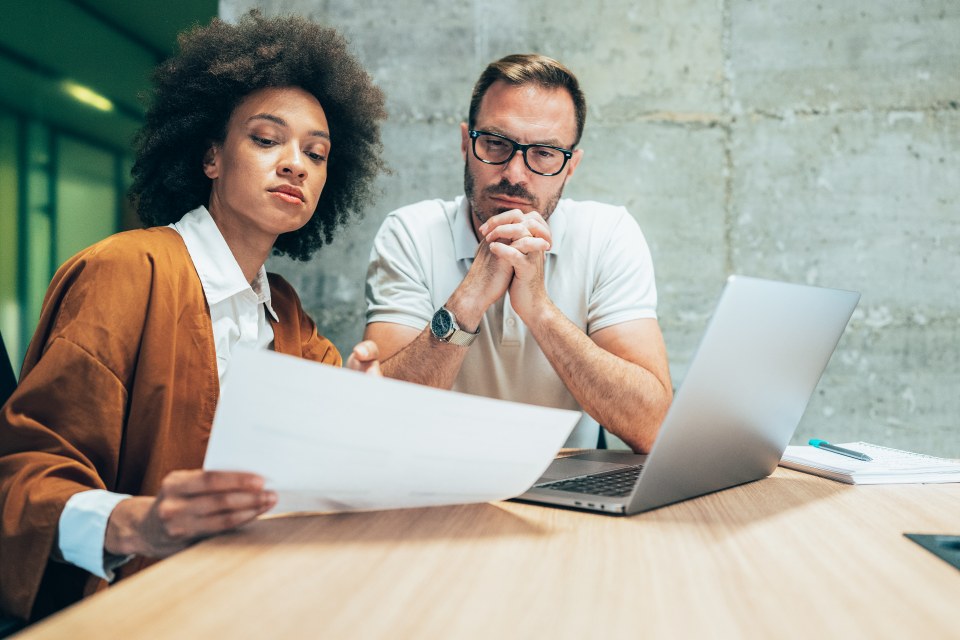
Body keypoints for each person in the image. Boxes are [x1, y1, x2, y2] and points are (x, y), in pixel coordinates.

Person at [0, 11, 386, 622]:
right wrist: (140, 521)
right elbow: (22, 482)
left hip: (262, 596)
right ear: (210, 156)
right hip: (143, 608)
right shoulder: (124, 270)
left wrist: (357, 413)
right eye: (266, 140)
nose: (296, 164)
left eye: (317, 153)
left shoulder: (285, 312)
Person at [364, 54, 672, 452]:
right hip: (435, 483)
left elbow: (653, 427)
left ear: (570, 166)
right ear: (465, 143)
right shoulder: (410, 233)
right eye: (495, 143)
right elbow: (380, 419)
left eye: (544, 153)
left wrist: (540, 310)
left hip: (566, 491)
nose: (514, 174)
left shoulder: (608, 234)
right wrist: (468, 300)